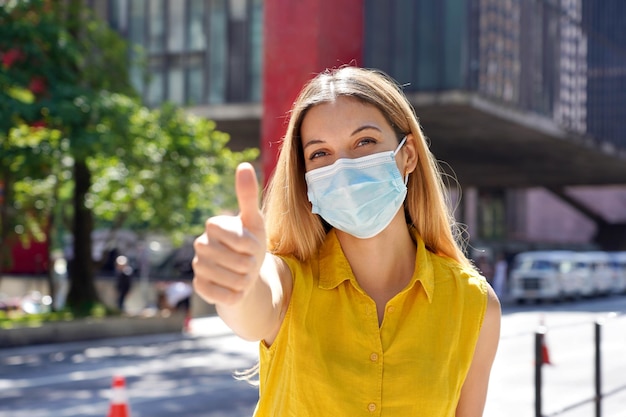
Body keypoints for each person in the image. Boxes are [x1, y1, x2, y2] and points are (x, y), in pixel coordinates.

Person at [193, 66, 501, 416]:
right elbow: (252, 309)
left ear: (408, 155)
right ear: (306, 177)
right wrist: (237, 280)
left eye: (364, 142)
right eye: (320, 154)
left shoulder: (474, 305)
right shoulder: (289, 280)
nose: (344, 168)